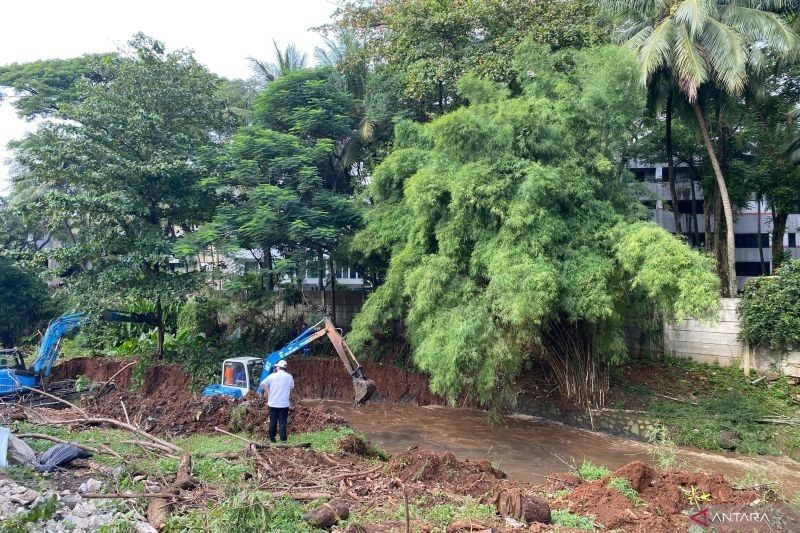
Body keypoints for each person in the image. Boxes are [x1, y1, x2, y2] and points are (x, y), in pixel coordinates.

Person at [259, 360, 294, 442]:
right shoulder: (289, 377)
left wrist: (268, 391)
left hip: (273, 403)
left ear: (278, 367)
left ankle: (272, 438)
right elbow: (292, 387)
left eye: (276, 367)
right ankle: (283, 439)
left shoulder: (272, 376)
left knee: (273, 421)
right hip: (284, 404)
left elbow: (262, 384)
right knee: (282, 422)